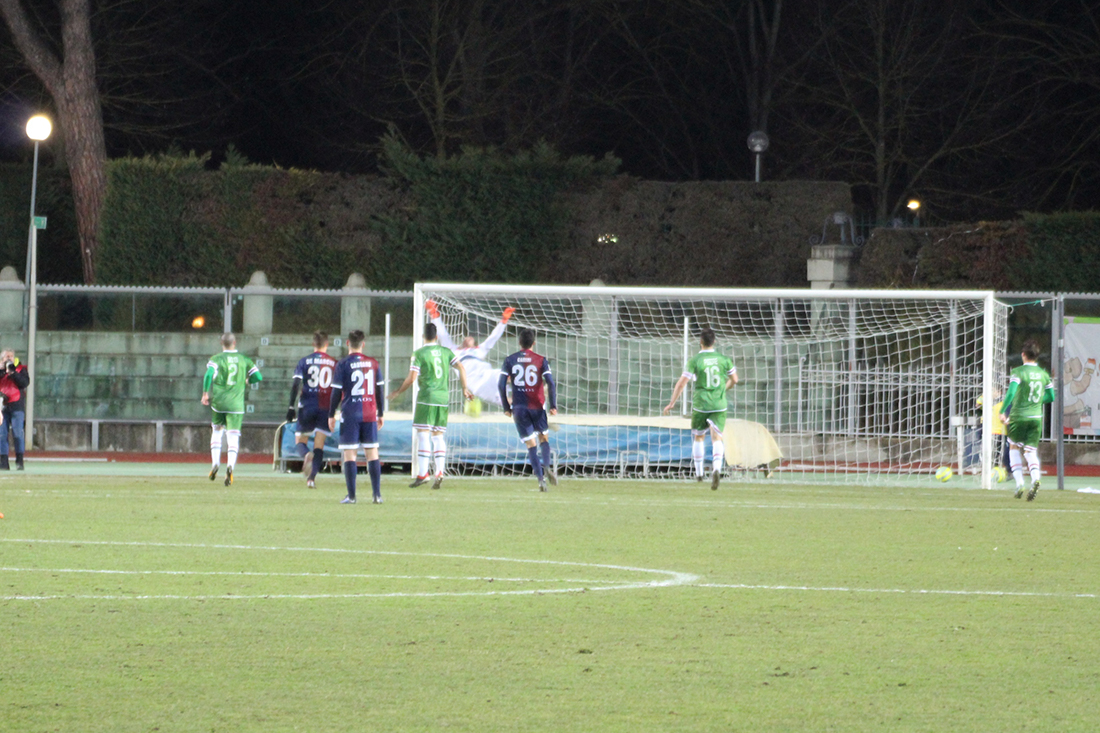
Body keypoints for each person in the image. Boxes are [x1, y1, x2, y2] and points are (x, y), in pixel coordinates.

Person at [388, 323, 474, 490]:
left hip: (426, 397)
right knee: (438, 436)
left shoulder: (419, 353)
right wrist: (464, 388)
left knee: (423, 435)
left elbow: (411, 379)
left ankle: (423, 474)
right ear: (437, 337)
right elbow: (461, 367)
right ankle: (440, 472)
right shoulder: (446, 352)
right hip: (443, 398)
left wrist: (398, 391)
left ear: (423, 336)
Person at [663, 328, 738, 490]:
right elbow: (735, 379)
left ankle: (699, 474)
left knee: (699, 437)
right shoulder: (724, 359)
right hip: (719, 404)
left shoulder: (695, 360)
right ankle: (717, 469)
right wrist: (723, 389)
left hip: (701, 404)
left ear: (700, 342)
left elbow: (682, 383)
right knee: (717, 437)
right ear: (714, 341)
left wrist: (672, 403)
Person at [328, 330, 385, 504]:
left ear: (348, 343)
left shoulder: (342, 364)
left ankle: (352, 496)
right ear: (363, 344)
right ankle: (377, 495)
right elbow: (379, 390)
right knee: (372, 453)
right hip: (369, 413)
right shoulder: (373, 363)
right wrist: (381, 413)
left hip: (350, 414)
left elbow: (336, 392)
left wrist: (331, 414)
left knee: (350, 454)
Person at [498, 328, 557, 491]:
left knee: (531, 445)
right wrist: (553, 405)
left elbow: (501, 385)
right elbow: (551, 383)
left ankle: (540, 480)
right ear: (534, 343)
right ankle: (547, 465)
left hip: (519, 408)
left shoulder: (510, 360)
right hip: (537, 406)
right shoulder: (541, 360)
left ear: (519, 342)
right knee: (543, 438)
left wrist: (506, 407)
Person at [426, 299, 514, 407]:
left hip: (488, 374)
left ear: (475, 345)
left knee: (507, 374)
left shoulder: (479, 350)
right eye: (466, 338)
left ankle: (524, 393)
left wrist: (504, 320)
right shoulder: (453, 350)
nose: (467, 339)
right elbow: (443, 334)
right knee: (505, 402)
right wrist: (434, 314)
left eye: (470, 339)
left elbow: (493, 337)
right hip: (475, 384)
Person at [202, 333, 263, 486]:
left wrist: (205, 393)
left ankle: (215, 463)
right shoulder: (244, 359)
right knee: (233, 436)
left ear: (221, 343)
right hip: (236, 405)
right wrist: (247, 380)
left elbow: (208, 375)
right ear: (234, 342)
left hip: (219, 403)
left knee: (217, 431)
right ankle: (230, 466)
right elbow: (258, 377)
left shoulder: (216, 359)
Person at [1000, 339, 1055, 501]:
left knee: (1013, 446)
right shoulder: (1044, 374)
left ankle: (1019, 484)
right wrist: (1036, 402)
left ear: (1023, 354)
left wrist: (1002, 411)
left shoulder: (1018, 372)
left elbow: (1011, 393)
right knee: (1030, 451)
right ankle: (1036, 479)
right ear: (1037, 356)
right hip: (1036, 418)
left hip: (1018, 416)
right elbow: (1051, 396)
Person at [287, 331, 338, 489]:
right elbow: (338, 389)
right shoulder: (334, 363)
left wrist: (291, 406)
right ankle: (311, 479)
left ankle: (306, 454)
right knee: (319, 445)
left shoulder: (304, 361)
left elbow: (296, 385)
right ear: (327, 344)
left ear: (313, 344)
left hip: (307, 406)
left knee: (300, 441)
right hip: (325, 408)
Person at [0, 349, 29, 471]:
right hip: (2, 406)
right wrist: (2, 370)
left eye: (11, 356)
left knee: (18, 433)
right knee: (2, 434)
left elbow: (24, 383)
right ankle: (3, 461)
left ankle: (19, 460)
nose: (9, 358)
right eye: (7, 356)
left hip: (17, 405)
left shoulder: (21, 369)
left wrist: (13, 373)